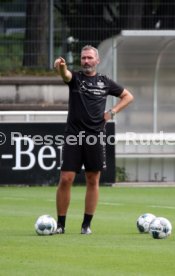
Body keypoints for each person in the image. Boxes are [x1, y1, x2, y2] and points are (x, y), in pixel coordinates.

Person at [54, 45, 133, 234]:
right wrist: (61, 66)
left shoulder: (105, 82)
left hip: (95, 137)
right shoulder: (75, 79)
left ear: (97, 61)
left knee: (92, 179)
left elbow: (128, 96)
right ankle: (60, 225)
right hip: (74, 136)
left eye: (90, 58)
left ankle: (86, 225)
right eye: (83, 58)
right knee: (66, 178)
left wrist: (111, 112)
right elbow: (65, 75)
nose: (86, 61)